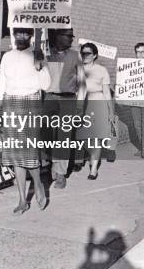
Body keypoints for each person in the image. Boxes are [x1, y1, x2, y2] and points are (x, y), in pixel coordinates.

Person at [0, 28, 51, 214]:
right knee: (15, 154)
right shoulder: (7, 57)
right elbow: (2, 83)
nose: (21, 37)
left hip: (31, 102)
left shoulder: (37, 55)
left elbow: (46, 85)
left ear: (31, 36)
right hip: (10, 104)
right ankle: (21, 199)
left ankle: (38, 184)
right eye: (18, 34)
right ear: (14, 36)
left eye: (25, 34)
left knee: (30, 151)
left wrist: (40, 65)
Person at [45, 28, 86, 189]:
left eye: (71, 37)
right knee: (49, 136)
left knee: (63, 137)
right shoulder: (47, 54)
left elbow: (82, 82)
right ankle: (53, 165)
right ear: (57, 37)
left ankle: (60, 173)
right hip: (49, 99)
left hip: (68, 100)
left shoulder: (75, 56)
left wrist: (80, 104)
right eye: (67, 36)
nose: (71, 39)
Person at [77, 43, 115, 180]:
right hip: (82, 104)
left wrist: (111, 111)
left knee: (97, 138)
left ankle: (93, 168)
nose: (84, 56)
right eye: (83, 53)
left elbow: (106, 92)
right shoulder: (78, 69)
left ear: (94, 55)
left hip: (98, 102)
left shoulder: (102, 70)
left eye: (87, 53)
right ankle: (84, 158)